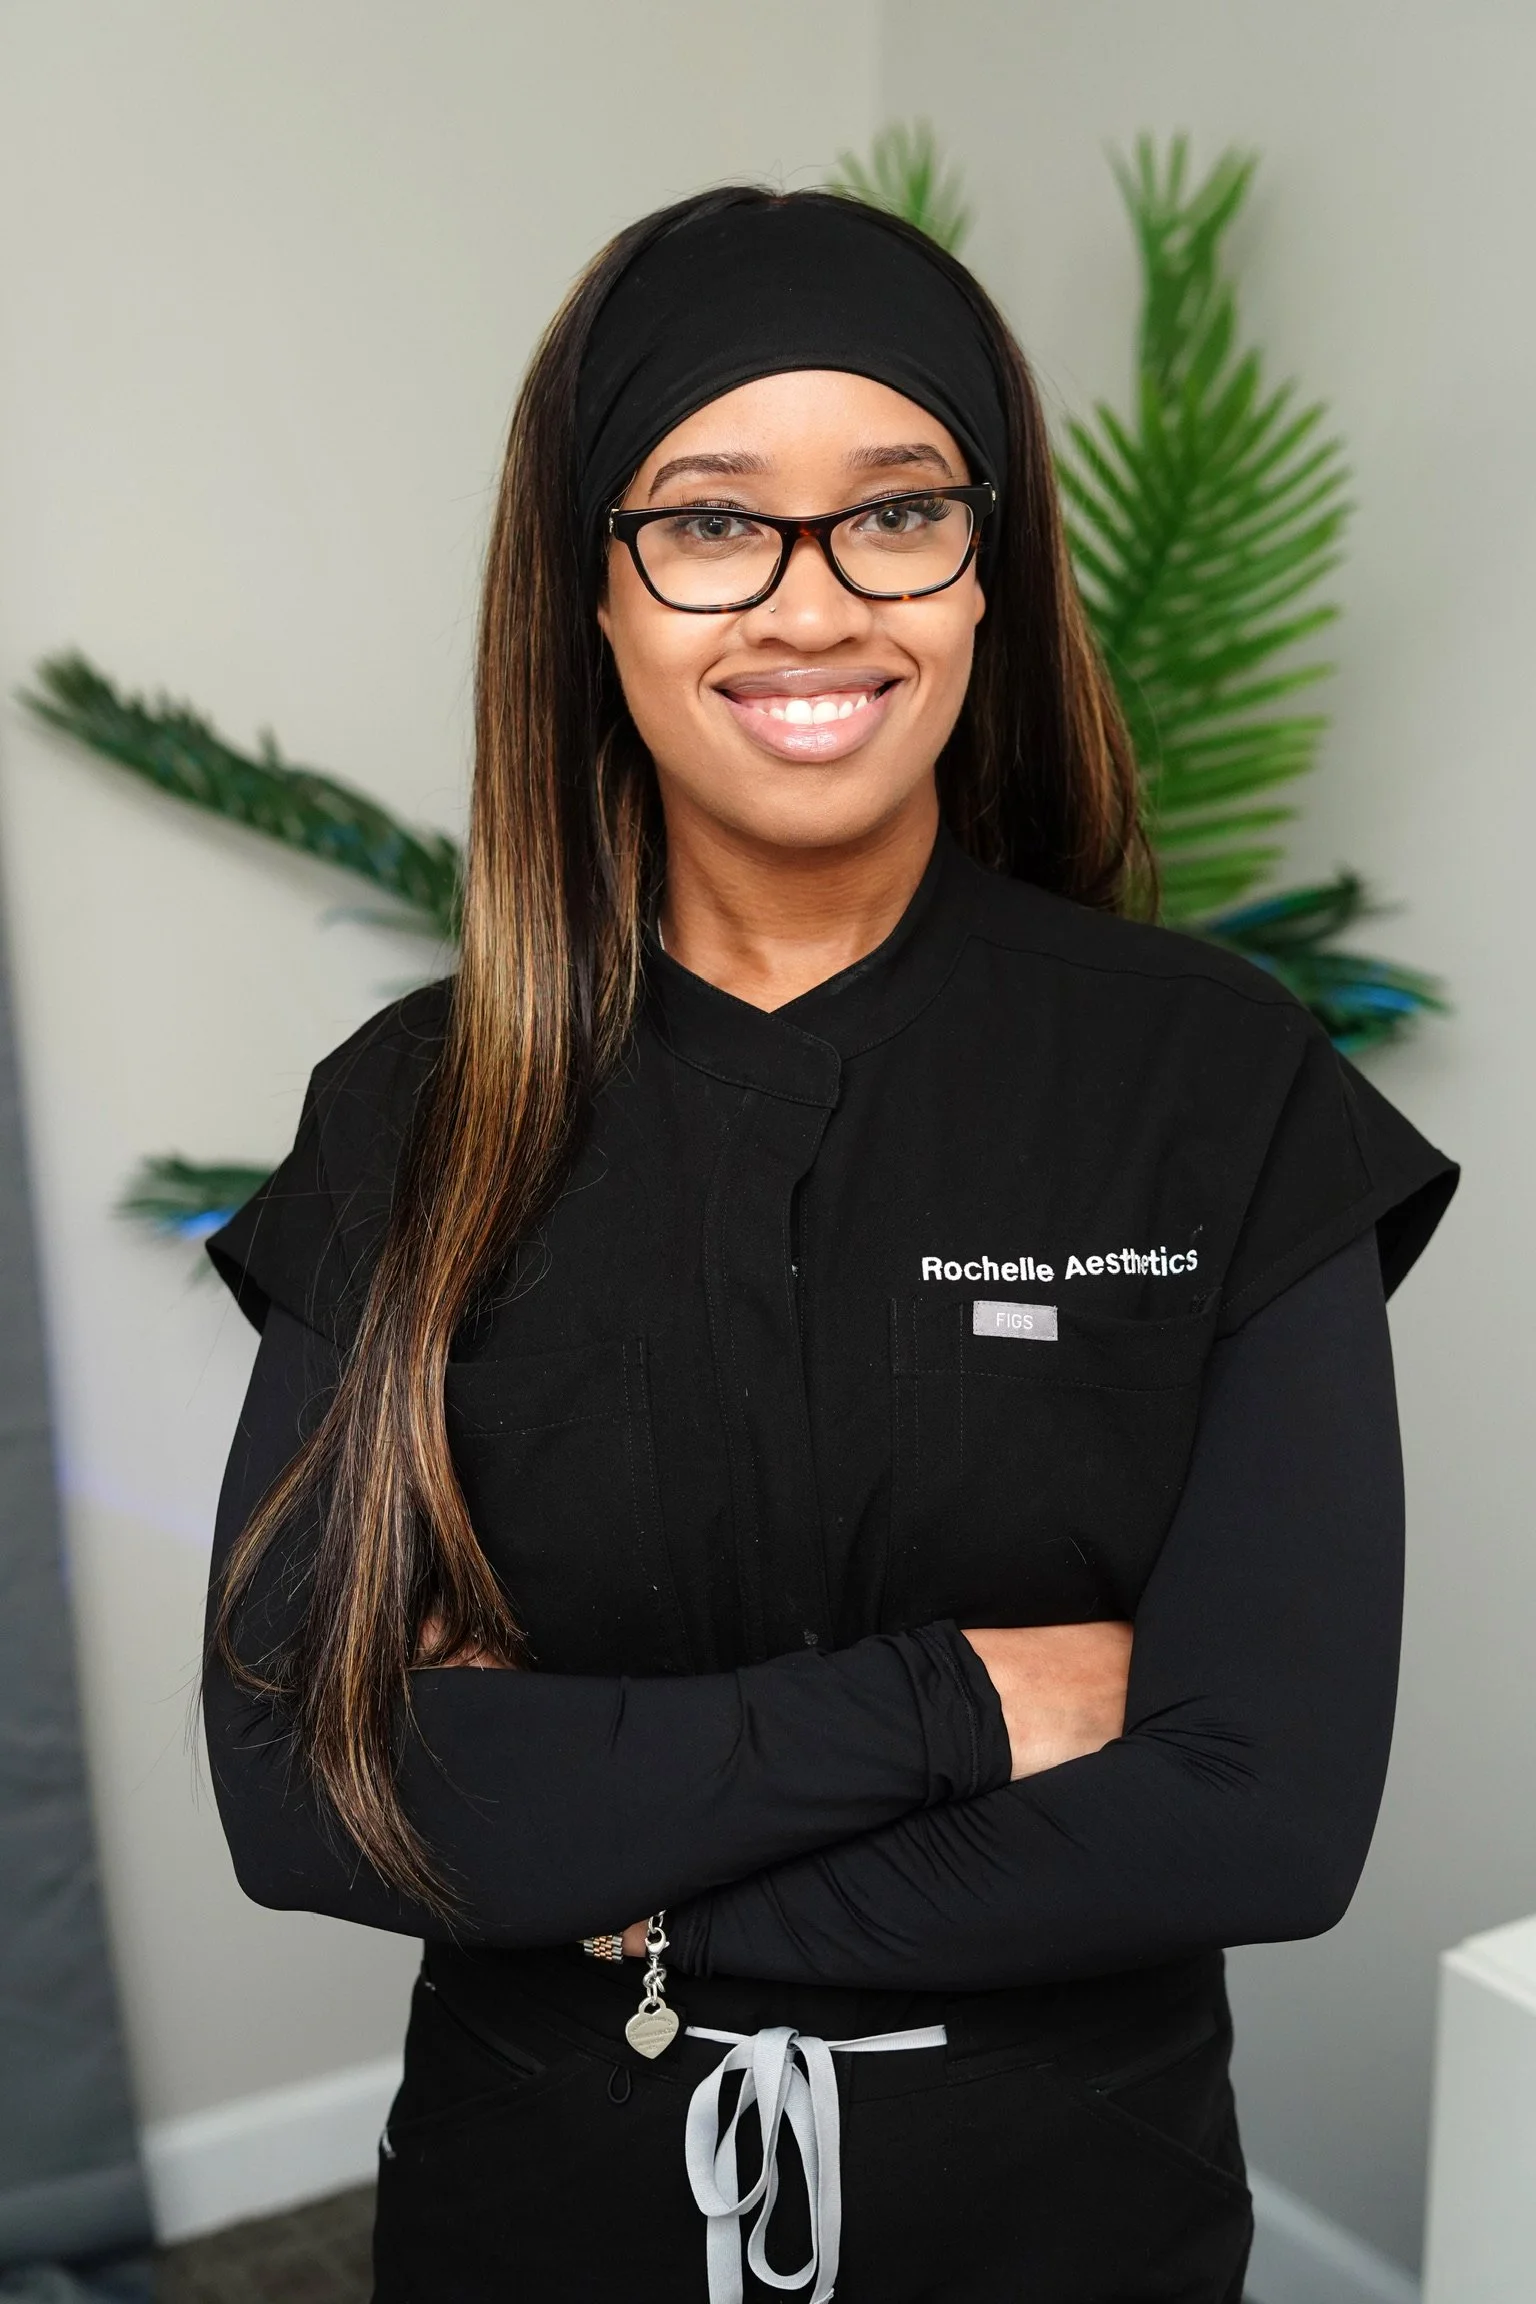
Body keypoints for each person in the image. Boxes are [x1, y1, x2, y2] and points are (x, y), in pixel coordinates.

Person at [201, 188, 1457, 2304]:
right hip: (539, 2209)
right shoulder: (409, 1113)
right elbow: (304, 1791)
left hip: (1074, 2210)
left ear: (989, 573)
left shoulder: (1211, 1082)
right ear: (589, 591)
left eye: (896, 514)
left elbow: (1262, 1814)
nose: (812, 605)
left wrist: (620, 1865)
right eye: (708, 519)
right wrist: (969, 1704)